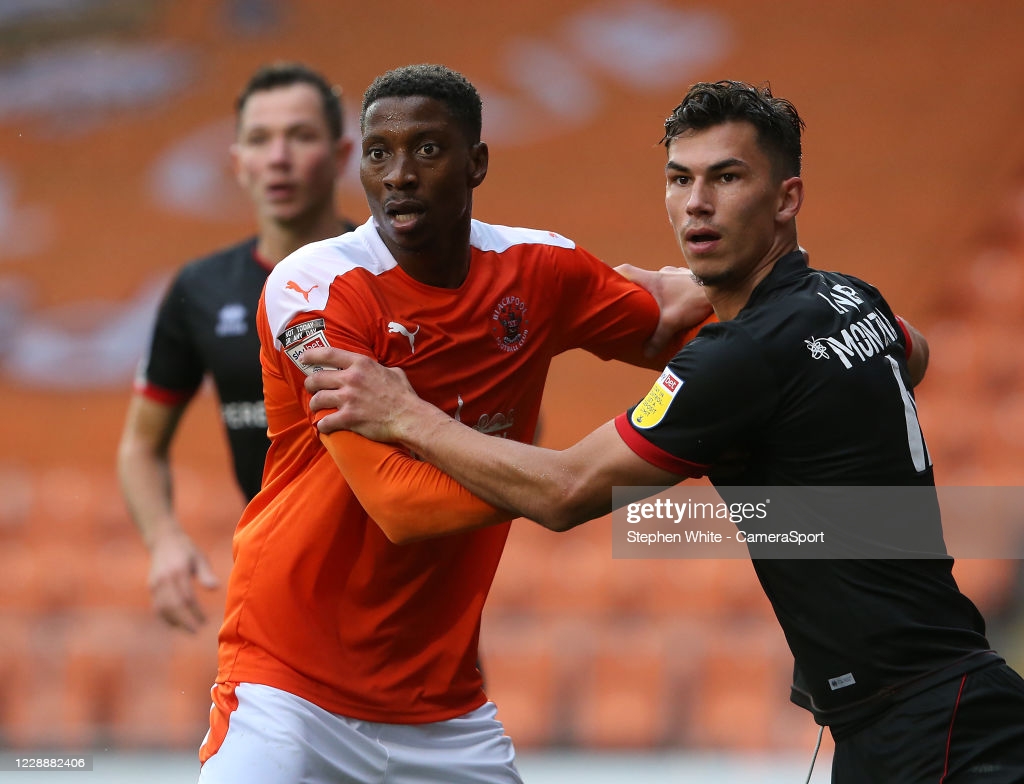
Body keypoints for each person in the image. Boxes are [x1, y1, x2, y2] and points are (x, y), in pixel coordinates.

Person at [304, 80, 1024, 783]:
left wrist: (406, 415)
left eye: (727, 177)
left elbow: (565, 492)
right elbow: (914, 353)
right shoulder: (849, 297)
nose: (697, 203)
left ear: (786, 199)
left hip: (934, 732)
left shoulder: (741, 358)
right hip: (918, 713)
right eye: (680, 179)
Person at [194, 63, 712, 783]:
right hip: (287, 690)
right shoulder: (313, 291)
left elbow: (672, 330)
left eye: (428, 150)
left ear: (477, 164)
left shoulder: (541, 271)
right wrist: (562, 481)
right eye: (379, 153)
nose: (399, 174)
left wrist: (838, 325)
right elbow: (401, 506)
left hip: (443, 711)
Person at [116, 62, 357, 633]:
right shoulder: (199, 289)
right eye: (259, 139)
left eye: (300, 136)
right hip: (281, 588)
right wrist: (165, 540)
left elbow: (511, 419)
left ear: (343, 155)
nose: (279, 156)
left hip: (412, 591)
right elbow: (139, 448)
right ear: (237, 164)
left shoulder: (400, 272)